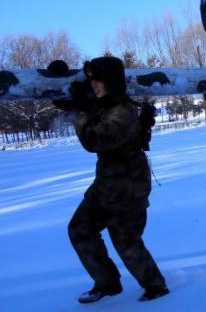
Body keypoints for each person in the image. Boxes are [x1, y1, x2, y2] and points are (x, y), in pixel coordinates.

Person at [60, 56, 169, 304]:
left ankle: (156, 286)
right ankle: (107, 282)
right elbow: (74, 104)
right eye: (92, 81)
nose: (94, 86)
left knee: (125, 240)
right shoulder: (103, 104)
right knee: (80, 229)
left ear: (112, 82)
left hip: (128, 184)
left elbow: (93, 140)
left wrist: (79, 110)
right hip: (106, 183)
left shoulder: (123, 112)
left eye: (99, 81)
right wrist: (61, 82)